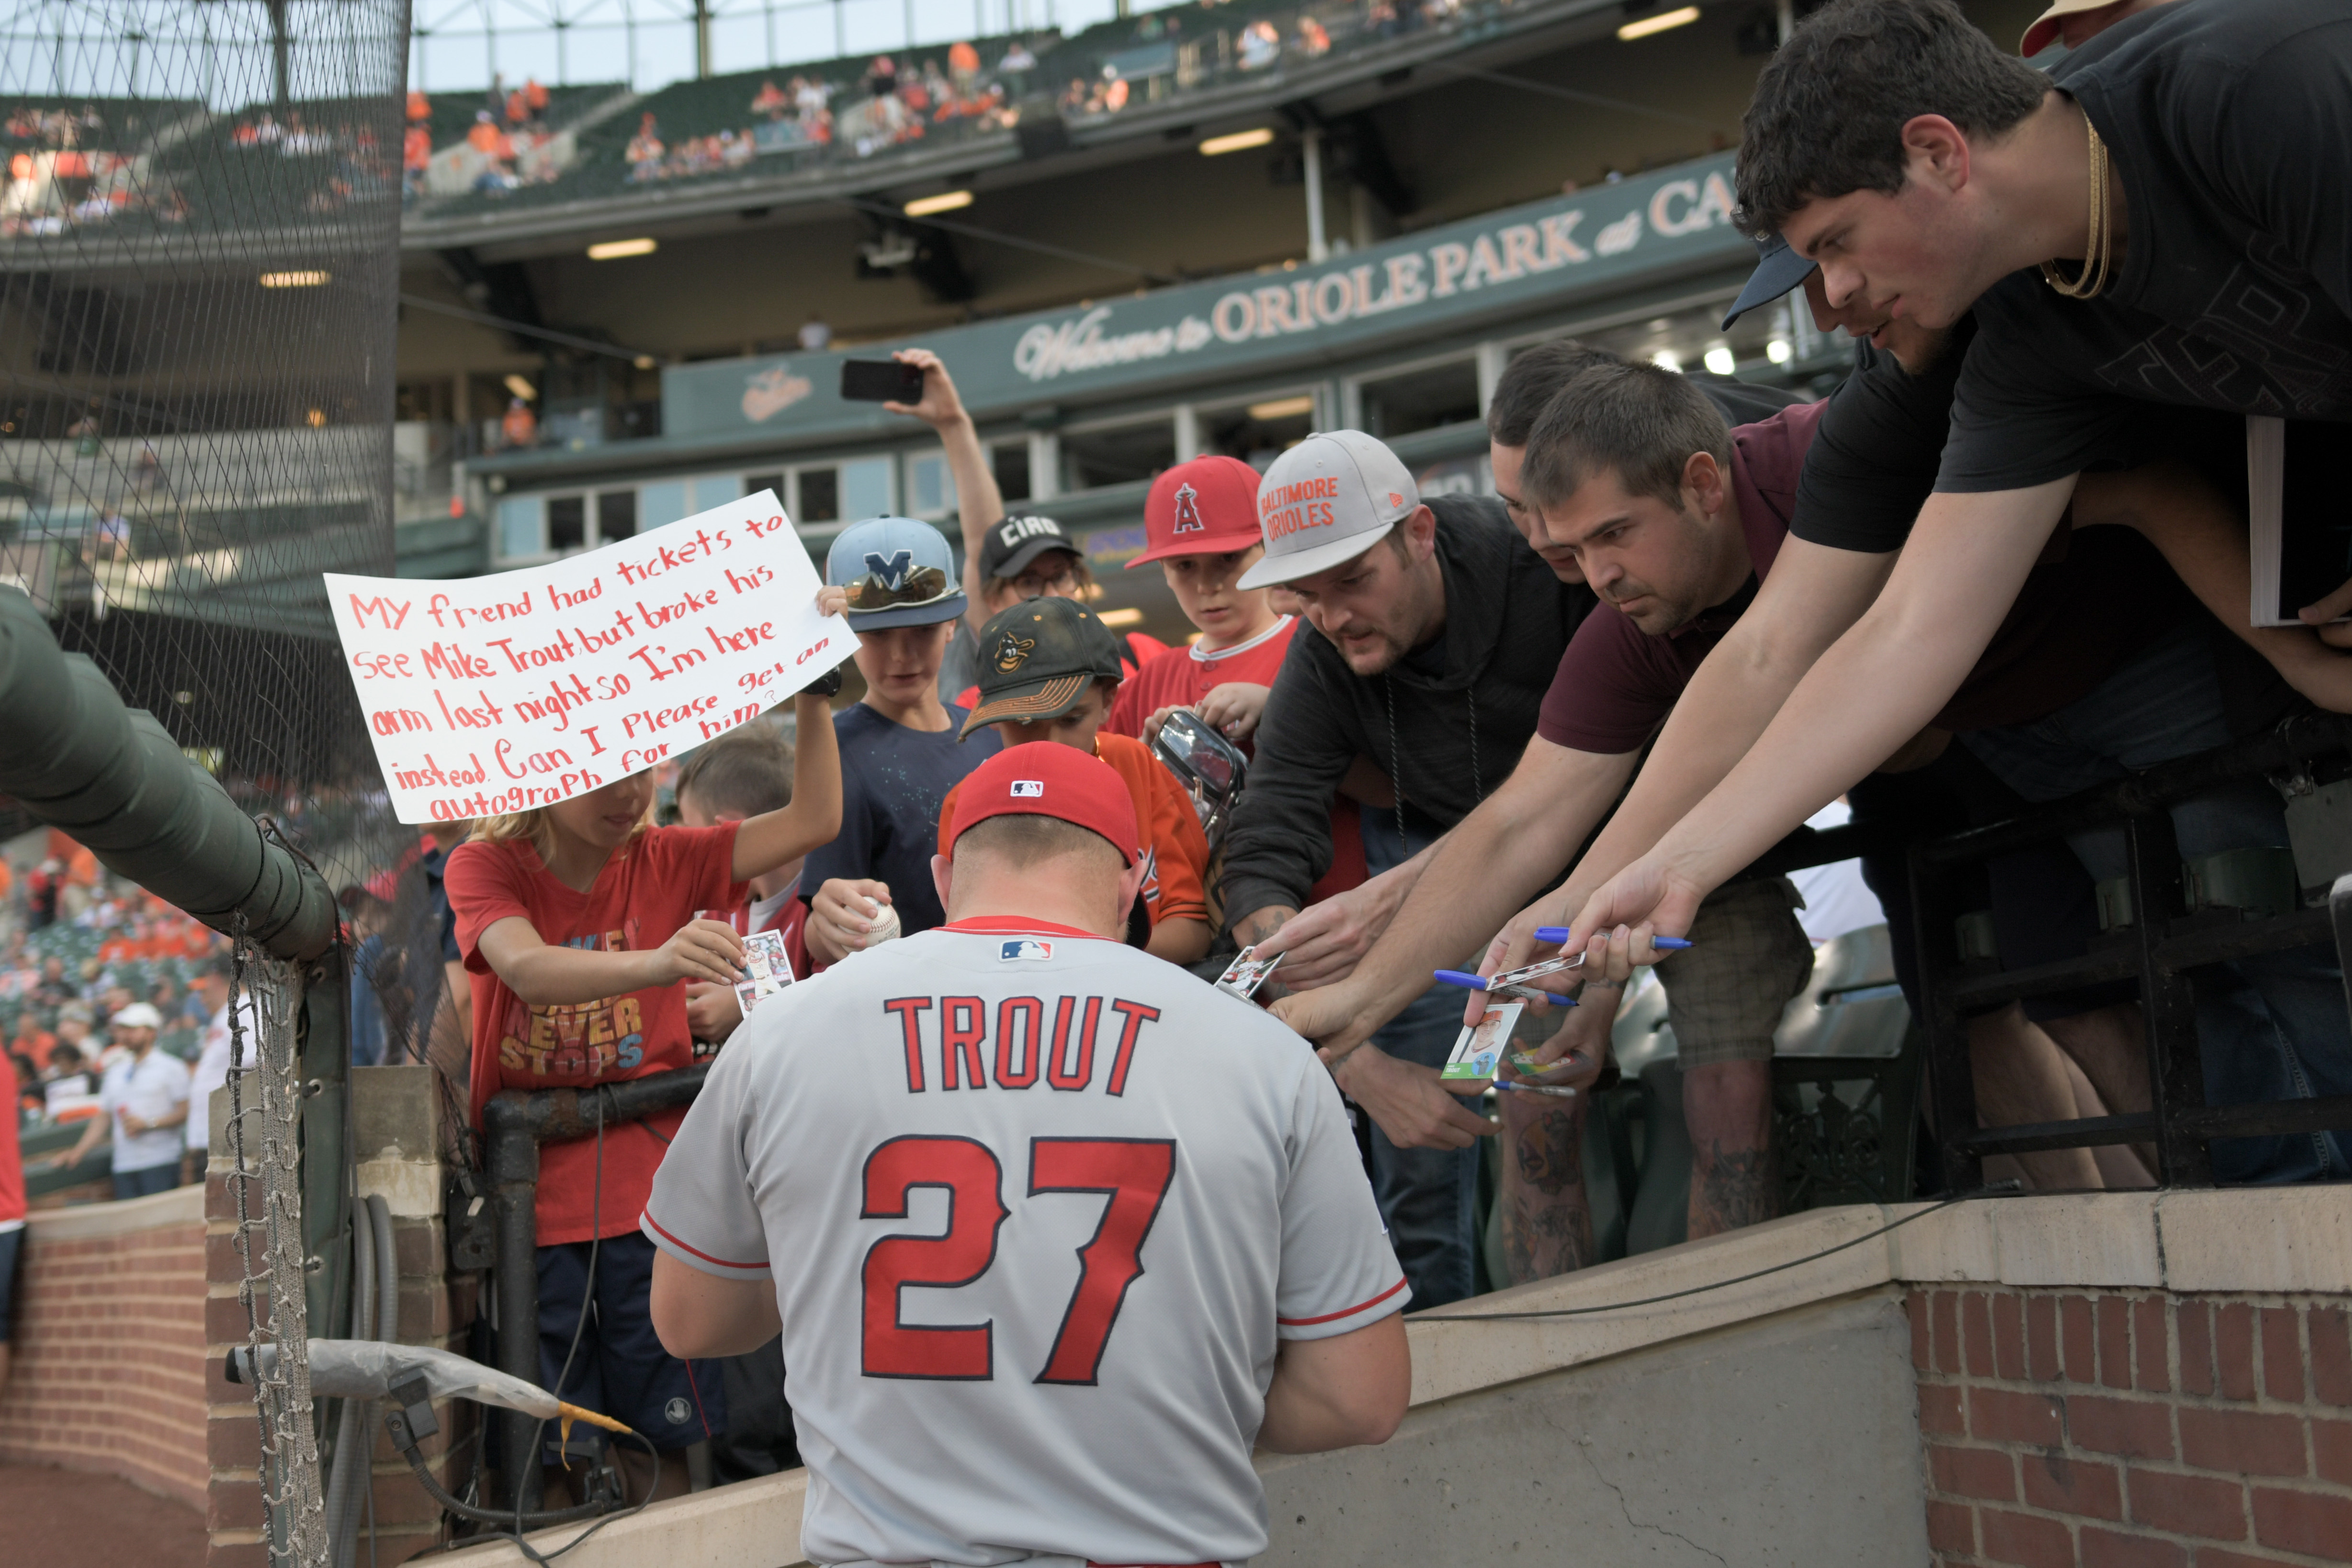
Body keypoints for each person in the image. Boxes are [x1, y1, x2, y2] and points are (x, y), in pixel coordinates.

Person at [1568, 0, 2352, 954]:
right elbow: (1905, 630)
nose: (1835, 294)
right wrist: (1682, 861)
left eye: (1835, 243)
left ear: (1938, 152)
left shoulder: (2250, 94)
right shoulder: (2030, 322)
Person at [644, 742, 1409, 1567]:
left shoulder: (782, 1034)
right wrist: (1169, 1401)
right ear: (1129, 884)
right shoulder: (1261, 1054)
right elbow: (1356, 1399)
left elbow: (693, 1319)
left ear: (942, 879)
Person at [446, 672, 842, 1502]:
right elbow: (524, 967)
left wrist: (814, 699)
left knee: (658, 1437)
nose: (628, 793)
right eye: (599, 773)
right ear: (542, 774)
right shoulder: (484, 865)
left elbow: (814, 821)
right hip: (532, 1211)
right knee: (547, 1448)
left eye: (640, 768)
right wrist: (662, 961)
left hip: (650, 1201)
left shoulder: (671, 857)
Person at [1223, 429, 1595, 1308]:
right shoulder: (1321, 652)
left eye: (1353, 580)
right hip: (1455, 881)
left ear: (1419, 533)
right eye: (1305, 594)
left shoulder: (1537, 570)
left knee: (1725, 1083)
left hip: (1638, 832)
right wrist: (1341, 1048)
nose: (1332, 614)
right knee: (1501, 1124)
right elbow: (1261, 851)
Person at [880, 350, 1168, 703]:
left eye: (1061, 575)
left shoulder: (1126, 665)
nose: (1050, 595)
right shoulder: (986, 674)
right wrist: (954, 424)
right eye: (1029, 582)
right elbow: (982, 537)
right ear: (991, 600)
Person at [939, 596, 1213, 963]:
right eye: (1024, 723)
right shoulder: (969, 801)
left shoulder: (1135, 764)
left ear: (1108, 700)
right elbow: (964, 951)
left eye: (1071, 719)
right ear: (992, 714)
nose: (1050, 743)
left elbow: (1193, 930)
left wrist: (1087, 955)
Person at [802, 517, 1003, 967]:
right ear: (846, 634)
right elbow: (817, 930)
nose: (901, 655)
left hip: (1001, 985)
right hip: (904, 1008)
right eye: (876, 634)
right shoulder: (834, 751)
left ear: (951, 624)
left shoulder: (990, 733)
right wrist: (829, 920)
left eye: (921, 630)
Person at [674, 722, 814, 1051]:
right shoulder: (716, 913)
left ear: (726, 831)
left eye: (692, 834)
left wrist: (744, 1005)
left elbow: (835, 1002)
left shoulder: (821, 906)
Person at [57, 1003, 186, 1199]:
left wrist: (149, 1124)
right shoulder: (115, 1071)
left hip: (161, 1160)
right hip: (124, 1164)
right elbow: (103, 1117)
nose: (127, 1035)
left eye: (133, 1029)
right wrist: (78, 1152)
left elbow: (184, 1112)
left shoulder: (172, 1067)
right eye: (124, 1030)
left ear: (151, 1032)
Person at [182, 956, 261, 1186]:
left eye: (203, 988)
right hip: (216, 1135)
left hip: (229, 1135)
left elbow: (257, 1063)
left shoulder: (245, 1008)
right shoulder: (228, 1013)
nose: (201, 997)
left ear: (216, 979)